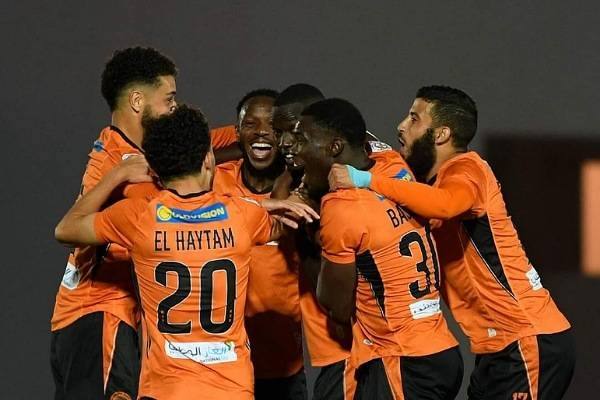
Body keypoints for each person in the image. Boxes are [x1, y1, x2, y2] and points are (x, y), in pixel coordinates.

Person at [54, 105, 318, 400]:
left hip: (166, 389)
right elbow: (288, 219)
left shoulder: (138, 217)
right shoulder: (241, 215)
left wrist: (115, 176)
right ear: (208, 159)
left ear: (156, 168)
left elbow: (66, 229)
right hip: (231, 389)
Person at [329, 85, 575, 400]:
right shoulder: (424, 184)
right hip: (496, 347)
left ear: (442, 134)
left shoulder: (467, 169)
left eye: (414, 118)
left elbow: (446, 204)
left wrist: (366, 179)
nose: (401, 126)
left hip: (526, 338)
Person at [294, 98, 463, 399]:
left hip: (399, 360)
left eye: (303, 141)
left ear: (335, 147)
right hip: (440, 350)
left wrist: (305, 233)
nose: (296, 151)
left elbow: (336, 306)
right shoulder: (394, 165)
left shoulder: (341, 207)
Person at [50, 46, 177, 400]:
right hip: (101, 316)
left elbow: (207, 141)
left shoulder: (123, 146)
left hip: (92, 320)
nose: (174, 108)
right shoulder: (115, 161)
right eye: (169, 99)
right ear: (138, 101)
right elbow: (69, 229)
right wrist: (118, 175)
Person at [213, 89, 307, 399]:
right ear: (236, 132)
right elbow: (173, 154)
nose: (262, 132)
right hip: (222, 366)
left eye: (271, 126)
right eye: (251, 124)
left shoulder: (302, 192)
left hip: (283, 366)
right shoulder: (212, 181)